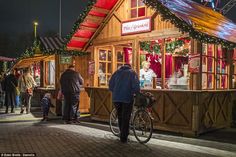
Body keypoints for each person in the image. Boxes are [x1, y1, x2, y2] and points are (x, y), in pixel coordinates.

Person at [109, 64, 140, 143]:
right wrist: (136, 93)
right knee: (126, 117)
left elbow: (110, 86)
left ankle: (122, 134)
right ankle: (124, 137)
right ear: (130, 67)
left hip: (116, 98)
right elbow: (136, 86)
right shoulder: (132, 73)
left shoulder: (116, 72)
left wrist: (116, 91)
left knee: (120, 116)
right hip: (127, 98)